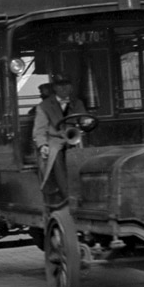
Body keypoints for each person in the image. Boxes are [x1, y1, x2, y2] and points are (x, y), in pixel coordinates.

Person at [32, 74, 88, 210]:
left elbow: (83, 118)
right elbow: (39, 130)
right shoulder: (44, 106)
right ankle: (66, 195)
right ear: (55, 88)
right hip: (55, 141)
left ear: (71, 87)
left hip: (75, 139)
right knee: (55, 158)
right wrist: (42, 145)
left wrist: (86, 121)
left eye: (66, 84)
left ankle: (86, 191)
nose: (64, 88)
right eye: (60, 85)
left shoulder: (77, 103)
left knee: (87, 154)